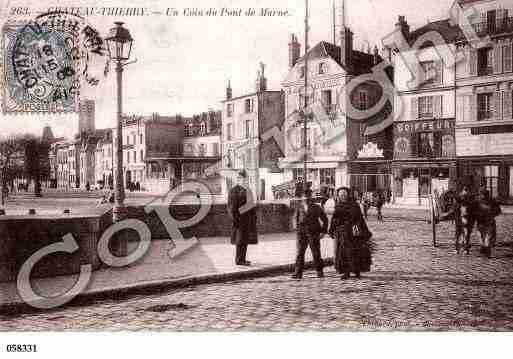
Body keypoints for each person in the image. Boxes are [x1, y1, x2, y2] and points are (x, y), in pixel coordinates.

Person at [329, 187, 373, 280]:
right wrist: (331, 230)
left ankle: (357, 271)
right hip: (342, 233)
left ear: (348, 195)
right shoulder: (338, 206)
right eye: (341, 195)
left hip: (353, 233)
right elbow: (334, 219)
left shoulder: (354, 205)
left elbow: (360, 219)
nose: (343, 197)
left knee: (355, 252)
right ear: (339, 196)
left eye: (344, 195)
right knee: (343, 253)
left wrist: (366, 231)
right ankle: (346, 272)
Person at [292, 189, 328, 280]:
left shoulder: (316, 207)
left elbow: (325, 219)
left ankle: (319, 271)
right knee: (300, 253)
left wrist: (323, 232)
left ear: (311, 198)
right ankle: (298, 272)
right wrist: (297, 229)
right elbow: (295, 218)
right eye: (304, 197)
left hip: (314, 232)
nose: (306, 199)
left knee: (316, 253)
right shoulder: (299, 207)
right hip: (302, 233)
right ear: (302, 198)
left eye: (308, 197)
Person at [227, 170, 258, 266]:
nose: (244, 181)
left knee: (245, 240)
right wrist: (235, 220)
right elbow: (231, 208)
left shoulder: (247, 190)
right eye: (241, 179)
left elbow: (252, 206)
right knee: (239, 241)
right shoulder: (233, 191)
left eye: (245, 179)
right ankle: (238, 260)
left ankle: (243, 259)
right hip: (239, 220)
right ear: (238, 179)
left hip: (247, 220)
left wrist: (253, 218)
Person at [474, 188, 501, 258]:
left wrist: (492, 214)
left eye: (485, 195)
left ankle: (487, 253)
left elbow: (498, 211)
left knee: (487, 240)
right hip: (480, 223)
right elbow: (472, 212)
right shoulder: (477, 202)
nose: (483, 196)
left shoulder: (492, 202)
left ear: (488, 195)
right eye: (482, 194)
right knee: (481, 239)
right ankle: (483, 250)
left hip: (489, 223)